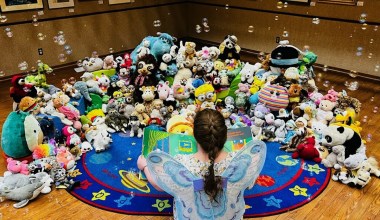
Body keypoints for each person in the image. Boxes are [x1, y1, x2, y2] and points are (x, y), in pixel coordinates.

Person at [137, 109, 266, 219]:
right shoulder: (238, 162)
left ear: (194, 135)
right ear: (225, 135)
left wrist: (145, 166)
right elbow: (250, 182)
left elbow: (160, 185)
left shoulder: (182, 162)